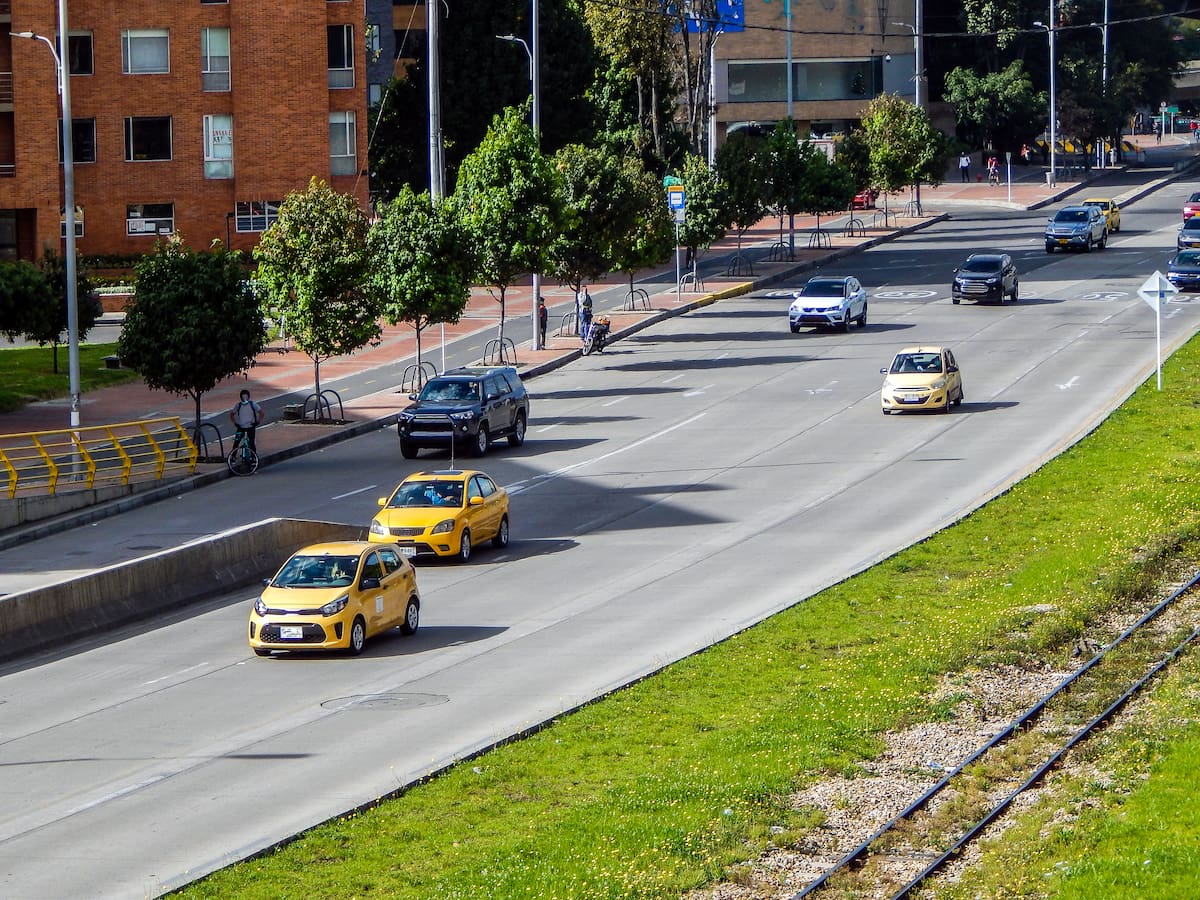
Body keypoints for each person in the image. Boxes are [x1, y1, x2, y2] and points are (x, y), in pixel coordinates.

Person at [229, 388, 265, 452]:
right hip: (241, 427)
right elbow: (231, 414)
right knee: (236, 443)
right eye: (243, 398)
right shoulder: (238, 405)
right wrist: (235, 423)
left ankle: (253, 456)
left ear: (248, 397)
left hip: (250, 427)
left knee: (252, 443)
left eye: (246, 397)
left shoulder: (253, 404)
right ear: (241, 398)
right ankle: (233, 456)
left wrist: (258, 422)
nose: (245, 399)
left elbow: (261, 413)